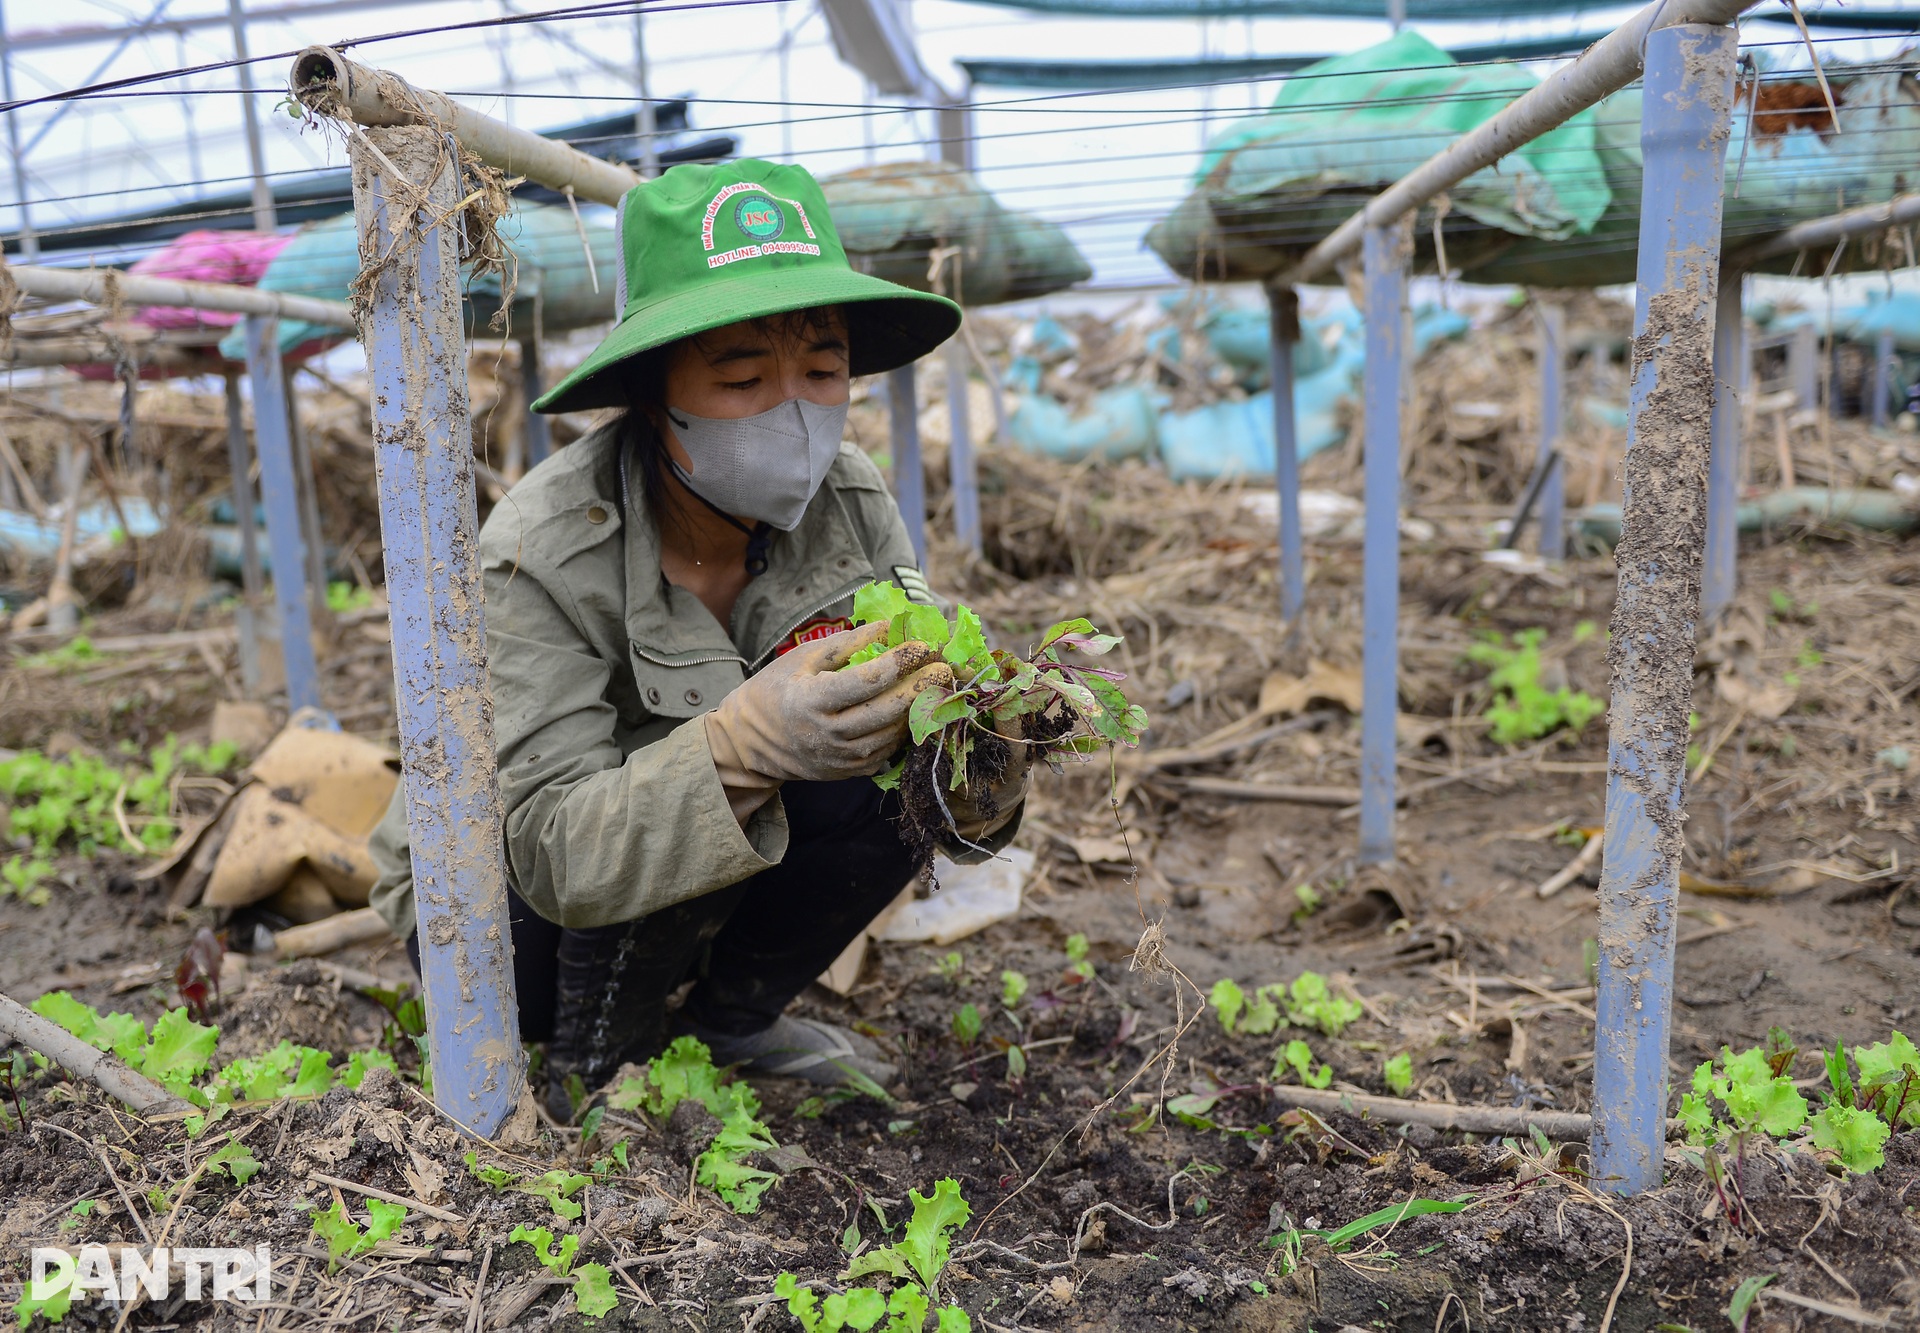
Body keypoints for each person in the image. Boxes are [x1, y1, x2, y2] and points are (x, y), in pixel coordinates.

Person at [365, 159, 1030, 1120]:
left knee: (890, 743)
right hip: (507, 911)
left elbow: (919, 706)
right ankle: (593, 1062)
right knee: (690, 768)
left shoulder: (849, 501)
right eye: (742, 376)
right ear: (652, 393)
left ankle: (728, 1021)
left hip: (683, 882)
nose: (794, 412)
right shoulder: (543, 549)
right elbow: (548, 845)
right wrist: (739, 746)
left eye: (822, 371)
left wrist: (973, 764)